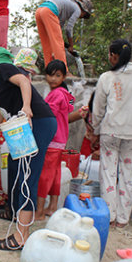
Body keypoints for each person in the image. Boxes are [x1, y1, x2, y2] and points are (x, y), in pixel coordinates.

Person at [0, 47, 56, 250]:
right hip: (23, 129)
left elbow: (23, 80)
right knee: (20, 173)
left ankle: (22, 236)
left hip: (38, 122)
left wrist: (27, 107)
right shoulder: (1, 91)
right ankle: (17, 219)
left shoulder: (4, 68)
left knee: (27, 177)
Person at [92, 39, 132, 228]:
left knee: (108, 174)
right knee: (128, 176)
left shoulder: (107, 78)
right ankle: (123, 219)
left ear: (114, 56)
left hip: (111, 132)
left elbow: (98, 109)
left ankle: (110, 217)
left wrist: (95, 130)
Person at [37, 60, 89, 218]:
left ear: (64, 77)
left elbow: (48, 114)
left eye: (57, 75)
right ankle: (52, 206)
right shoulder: (66, 95)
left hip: (51, 139)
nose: (52, 79)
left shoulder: (56, 94)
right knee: (55, 174)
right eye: (50, 75)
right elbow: (66, 112)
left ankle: (39, 211)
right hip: (60, 141)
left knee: (45, 175)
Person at [35, 0, 93, 66]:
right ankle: (64, 70)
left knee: (47, 44)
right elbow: (69, 28)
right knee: (59, 44)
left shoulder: (67, 6)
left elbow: (59, 28)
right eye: (84, 16)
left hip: (39, 11)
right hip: (50, 10)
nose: (81, 17)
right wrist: (71, 46)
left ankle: (49, 68)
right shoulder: (77, 9)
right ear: (84, 11)